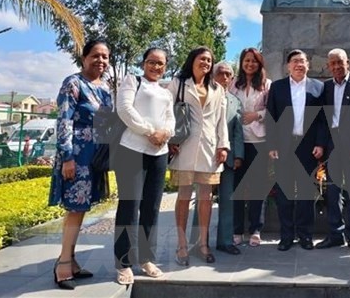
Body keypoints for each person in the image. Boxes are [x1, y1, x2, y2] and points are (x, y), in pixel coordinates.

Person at [49, 39, 113, 290]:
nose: (101, 61)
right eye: (95, 55)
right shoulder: (73, 83)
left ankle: (72, 260)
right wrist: (67, 157)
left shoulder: (105, 87)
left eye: (105, 57)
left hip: (95, 157)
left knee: (82, 208)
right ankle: (63, 263)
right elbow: (64, 121)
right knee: (75, 209)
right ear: (84, 57)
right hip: (76, 155)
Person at [113, 48, 175, 285]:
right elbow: (125, 110)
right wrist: (150, 132)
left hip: (159, 153)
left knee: (151, 208)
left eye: (161, 64)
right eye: (152, 62)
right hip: (132, 151)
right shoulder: (132, 81)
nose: (156, 67)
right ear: (143, 63)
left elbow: (171, 118)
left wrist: (165, 134)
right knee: (130, 206)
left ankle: (147, 258)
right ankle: (124, 262)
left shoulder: (165, 92)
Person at [167, 46, 230, 265]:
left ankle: (203, 244)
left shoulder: (217, 88)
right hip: (184, 147)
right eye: (202, 59)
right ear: (192, 60)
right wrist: (169, 140)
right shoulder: (178, 84)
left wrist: (223, 146)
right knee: (183, 197)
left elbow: (221, 120)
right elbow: (166, 112)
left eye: (209, 60)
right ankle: (182, 245)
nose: (206, 63)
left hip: (209, 150)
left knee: (206, 198)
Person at [266, 49, 326, 251]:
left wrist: (320, 143)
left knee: (306, 194)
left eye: (302, 61)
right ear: (288, 66)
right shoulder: (278, 87)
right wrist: (272, 144)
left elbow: (322, 120)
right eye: (295, 61)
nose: (299, 64)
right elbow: (271, 117)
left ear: (308, 65)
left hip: (308, 148)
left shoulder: (318, 87)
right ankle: (286, 236)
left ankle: (305, 235)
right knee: (284, 194)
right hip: (283, 146)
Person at [316, 49, 350, 255]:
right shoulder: (326, 87)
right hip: (333, 146)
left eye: (340, 62)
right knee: (332, 192)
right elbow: (322, 120)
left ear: (348, 62)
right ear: (328, 66)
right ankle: (335, 235)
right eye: (333, 63)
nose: (337, 66)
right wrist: (321, 144)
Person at [228, 47, 271, 247]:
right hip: (237, 141)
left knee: (257, 188)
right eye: (246, 60)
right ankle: (237, 229)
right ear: (241, 63)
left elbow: (273, 111)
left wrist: (257, 115)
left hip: (258, 141)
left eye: (254, 61)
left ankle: (255, 229)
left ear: (259, 63)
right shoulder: (233, 85)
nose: (250, 64)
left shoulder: (266, 85)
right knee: (236, 187)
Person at [212, 61, 245, 255]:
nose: (224, 78)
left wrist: (238, 155)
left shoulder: (235, 101)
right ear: (213, 75)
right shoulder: (204, 96)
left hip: (229, 158)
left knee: (227, 200)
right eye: (221, 73)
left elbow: (237, 132)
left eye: (228, 75)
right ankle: (198, 241)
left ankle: (225, 241)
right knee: (203, 200)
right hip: (206, 157)